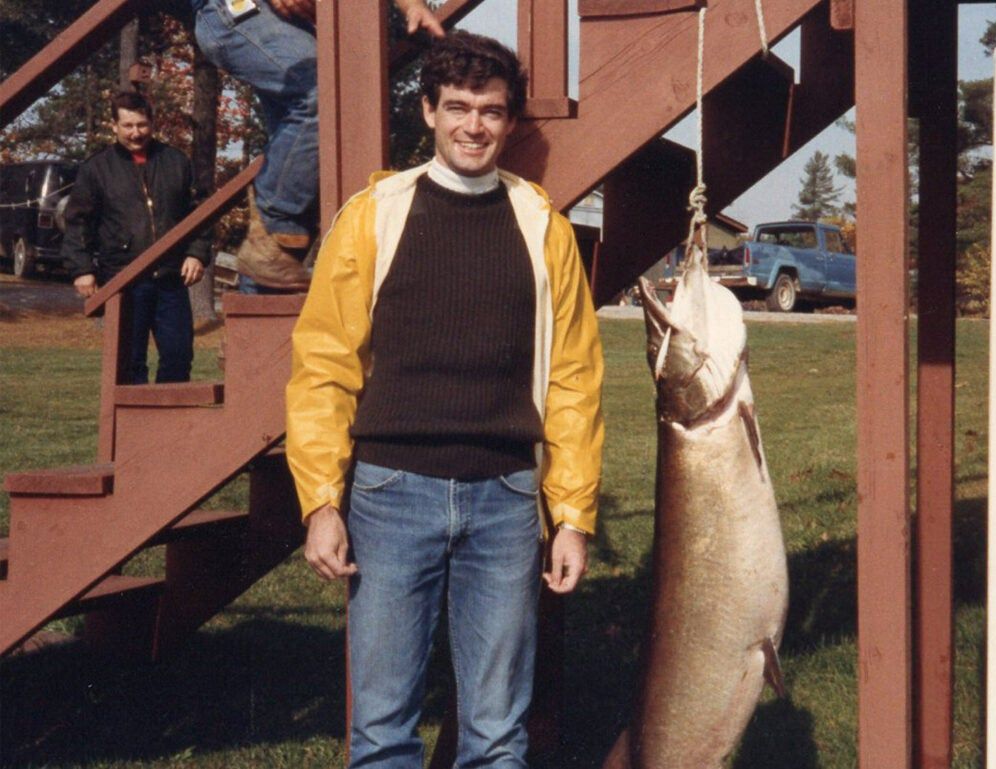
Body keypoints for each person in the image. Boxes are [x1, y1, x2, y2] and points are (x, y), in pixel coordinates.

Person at [286, 31, 604, 769]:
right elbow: (324, 365)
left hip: (505, 498)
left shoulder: (542, 226)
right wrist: (322, 501)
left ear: (511, 121)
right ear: (427, 111)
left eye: (491, 111)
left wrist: (573, 515)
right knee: (382, 730)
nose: (473, 125)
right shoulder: (375, 215)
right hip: (392, 494)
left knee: (496, 734)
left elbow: (574, 380)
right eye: (456, 107)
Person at [191, 0, 444, 291]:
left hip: (277, 17)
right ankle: (272, 234)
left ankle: (263, 284)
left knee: (303, 147)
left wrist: (411, 5)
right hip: (237, 7)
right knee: (325, 92)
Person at [64, 91, 210, 384]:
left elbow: (200, 214)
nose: (136, 133)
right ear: (114, 126)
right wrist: (82, 269)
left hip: (171, 279)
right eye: (128, 126)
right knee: (129, 363)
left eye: (142, 125)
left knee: (179, 357)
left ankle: (170, 427)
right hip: (124, 279)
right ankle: (134, 428)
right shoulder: (96, 168)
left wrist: (197, 252)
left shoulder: (176, 161)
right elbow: (78, 222)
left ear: (152, 124)